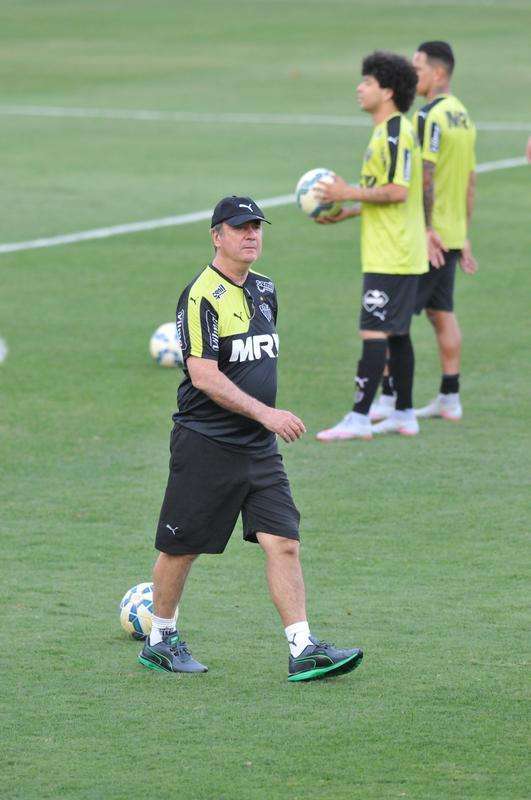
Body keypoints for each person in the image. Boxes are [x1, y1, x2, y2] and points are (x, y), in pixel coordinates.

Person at [138, 195, 363, 682]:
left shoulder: (265, 289)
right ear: (217, 235)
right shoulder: (200, 295)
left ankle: (302, 649)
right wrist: (267, 413)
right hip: (207, 442)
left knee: (283, 541)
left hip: (259, 448)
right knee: (182, 547)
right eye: (240, 227)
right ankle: (160, 638)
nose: (251, 235)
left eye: (257, 227)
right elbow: (203, 376)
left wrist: (263, 422)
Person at [314, 51, 428, 440]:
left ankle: (360, 417)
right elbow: (389, 195)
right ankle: (404, 412)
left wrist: (348, 190)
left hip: (392, 253)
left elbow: (398, 191)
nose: (359, 89)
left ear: (388, 90)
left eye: (367, 82)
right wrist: (350, 208)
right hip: (395, 248)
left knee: (373, 331)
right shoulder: (384, 132)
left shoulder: (396, 132)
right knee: (397, 334)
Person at [372, 41, 477, 422]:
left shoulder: (428, 118)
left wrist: (427, 228)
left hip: (427, 236)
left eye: (417, 68)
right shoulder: (463, 116)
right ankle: (450, 397)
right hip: (450, 234)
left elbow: (426, 177)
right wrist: (462, 233)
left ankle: (389, 398)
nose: (412, 74)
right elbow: (469, 182)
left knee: (386, 314)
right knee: (440, 312)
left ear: (438, 73)